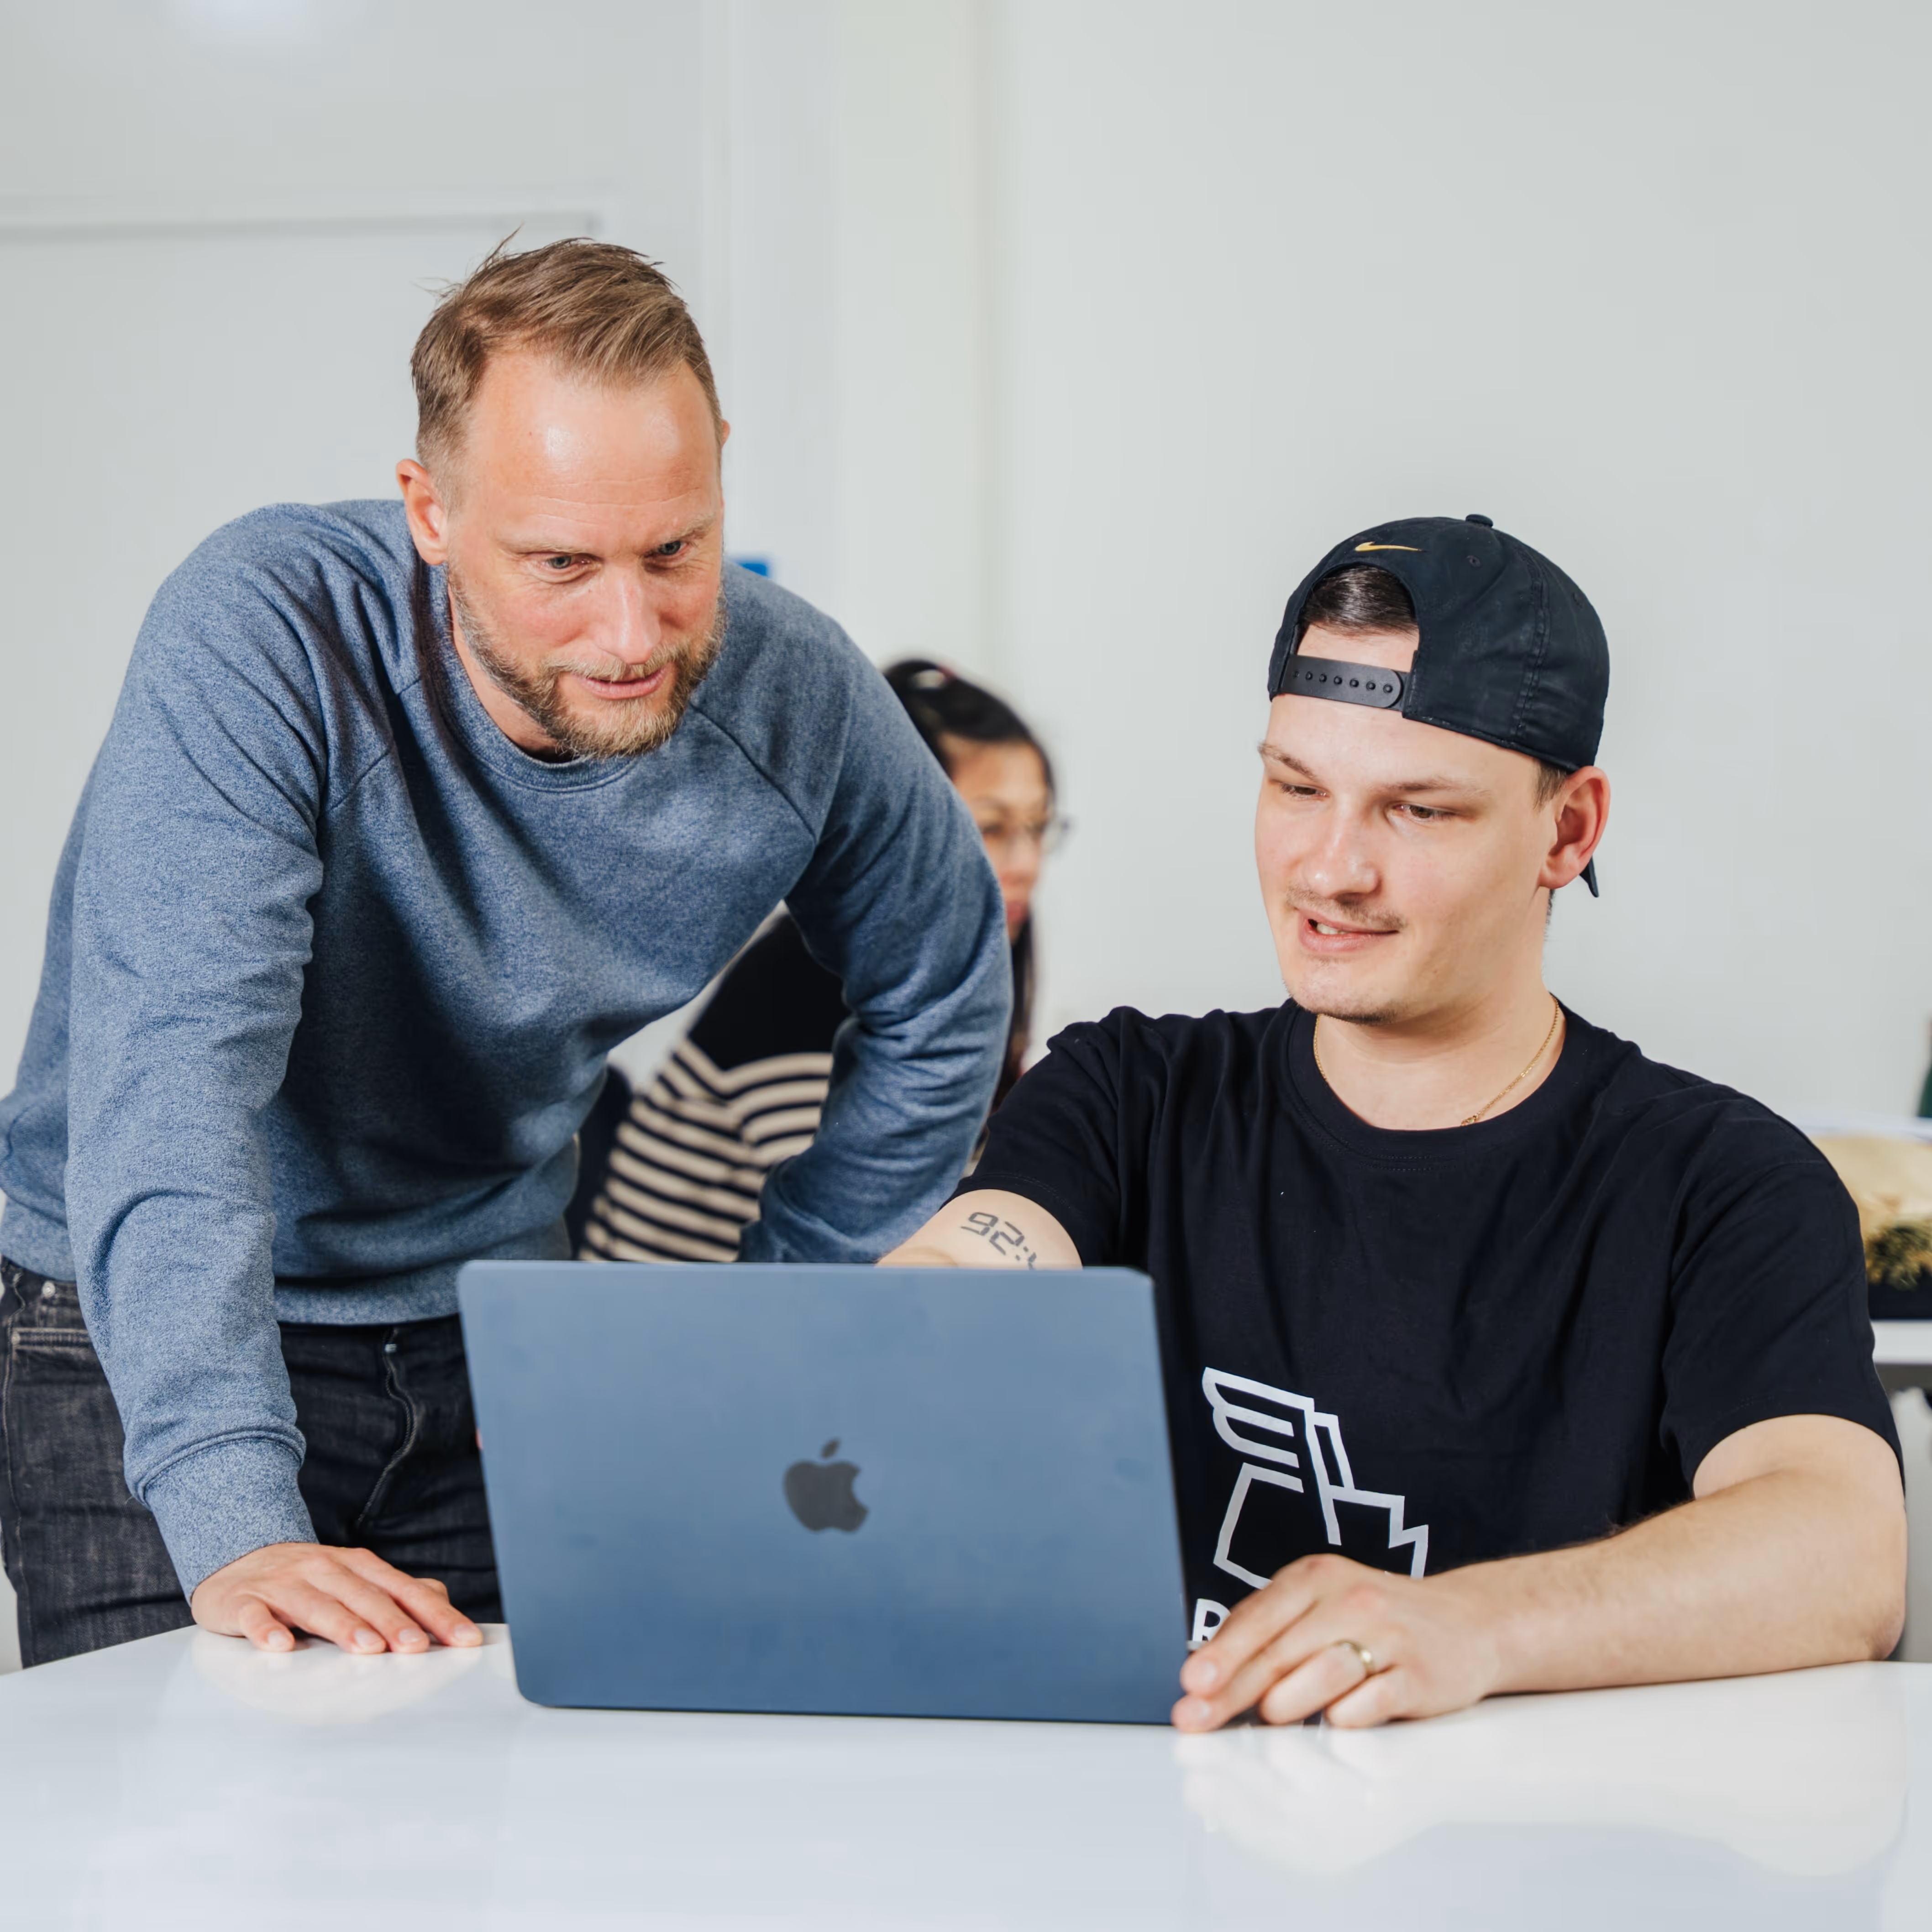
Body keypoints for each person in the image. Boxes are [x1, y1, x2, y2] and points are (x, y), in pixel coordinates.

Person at [0, 239, 1010, 1666]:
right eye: (560, 565)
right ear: (431, 511)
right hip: (148, 1335)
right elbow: (174, 1081)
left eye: (675, 552)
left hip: (494, 1329)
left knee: (507, 1800)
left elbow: (946, 988)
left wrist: (790, 1309)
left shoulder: (798, 695)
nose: (631, 633)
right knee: (208, 1786)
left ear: (720, 470)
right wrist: (234, 1511)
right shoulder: (268, 632)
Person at [883, 515, 1905, 1730]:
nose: (1330, 870)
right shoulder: (1130, 1091)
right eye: (1295, 787)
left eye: (1416, 811)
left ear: (1568, 830)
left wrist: (1470, 1626)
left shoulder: (1721, 1185)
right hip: (1156, 1828)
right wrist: (909, 1319)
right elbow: (985, 1255)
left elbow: (1842, 1550)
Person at [576, 659, 1063, 1263]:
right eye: (991, 828)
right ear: (904, 824)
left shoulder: (944, 980)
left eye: (1038, 827)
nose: (1027, 864)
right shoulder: (796, 983)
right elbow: (885, 1235)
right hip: (665, 1319)